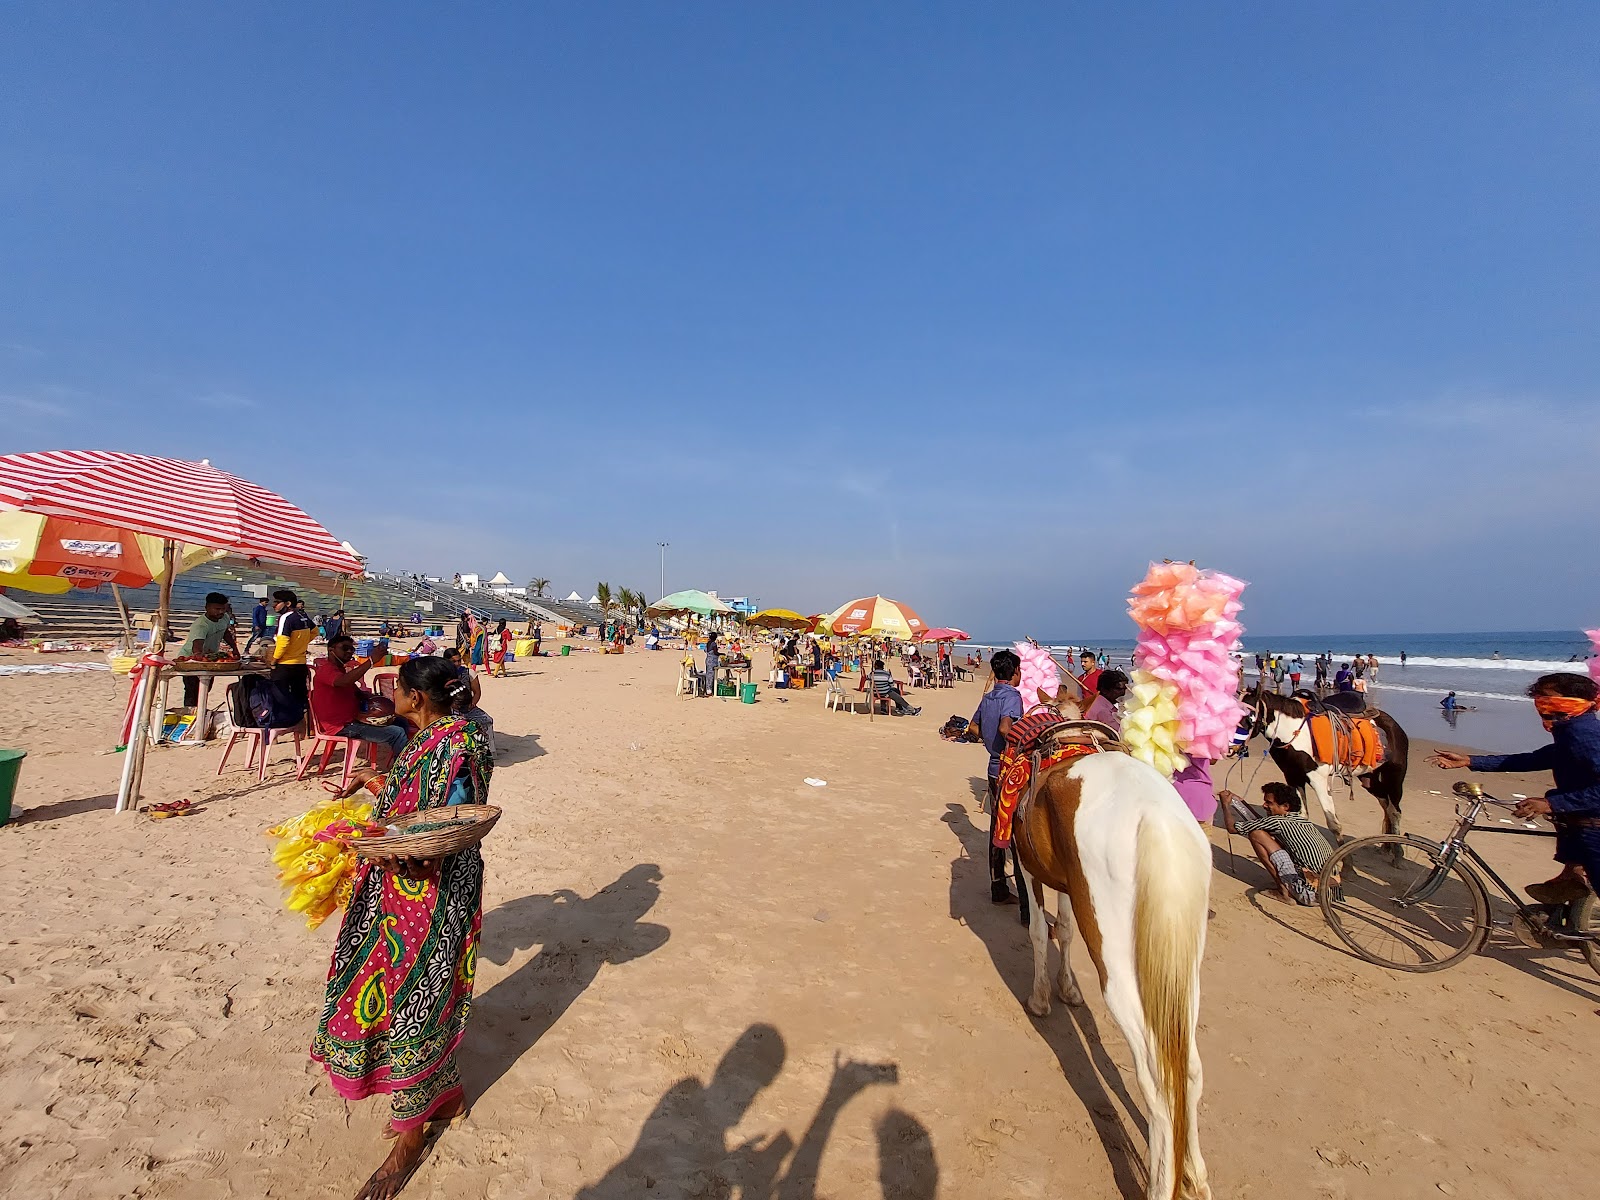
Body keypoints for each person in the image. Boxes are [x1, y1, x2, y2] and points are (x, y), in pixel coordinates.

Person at [312, 657, 493, 1197]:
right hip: (396, 883)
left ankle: (409, 1138)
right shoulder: (429, 735)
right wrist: (378, 786)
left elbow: (447, 819)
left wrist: (401, 838)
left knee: (416, 1001)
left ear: (417, 697)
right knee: (384, 987)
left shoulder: (457, 742)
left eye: (397, 687)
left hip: (431, 887)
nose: (389, 692)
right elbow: (419, 799)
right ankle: (448, 1096)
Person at [1431, 673, 1600, 904]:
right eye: (1539, 698)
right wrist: (1470, 761)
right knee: (1576, 878)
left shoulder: (1584, 734)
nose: (1541, 705)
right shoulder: (1571, 730)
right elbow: (1535, 759)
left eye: (1548, 698)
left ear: (1575, 700)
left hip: (1594, 828)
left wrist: (1550, 803)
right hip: (1578, 825)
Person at [969, 649, 1024, 906]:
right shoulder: (1012, 696)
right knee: (1015, 830)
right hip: (1009, 770)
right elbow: (1006, 727)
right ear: (1015, 672)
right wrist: (1020, 743)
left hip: (992, 768)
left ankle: (998, 885)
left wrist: (989, 743)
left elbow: (973, 727)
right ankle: (1025, 901)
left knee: (997, 826)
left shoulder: (989, 697)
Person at [1219, 782, 1332, 905]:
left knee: (1256, 834)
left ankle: (1284, 892)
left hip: (1310, 894)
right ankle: (1288, 886)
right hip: (1329, 894)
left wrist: (1225, 805)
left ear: (1285, 806)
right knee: (1265, 834)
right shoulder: (1300, 820)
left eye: (1269, 803)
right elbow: (1262, 822)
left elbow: (1232, 828)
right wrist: (1240, 802)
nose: (1264, 805)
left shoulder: (1277, 821)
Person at [311, 635, 407, 761]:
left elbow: (354, 690)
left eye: (352, 649)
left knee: (401, 721)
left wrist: (374, 699)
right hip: (341, 726)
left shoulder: (340, 670)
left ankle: (403, 758)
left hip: (353, 719)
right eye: (345, 648)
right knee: (397, 733)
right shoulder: (327, 670)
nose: (349, 652)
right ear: (331, 650)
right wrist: (371, 661)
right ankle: (402, 770)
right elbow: (343, 682)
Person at [178, 592, 239, 708]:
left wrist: (234, 648)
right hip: (191, 661)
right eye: (217, 609)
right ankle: (192, 715)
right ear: (207, 608)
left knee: (205, 689)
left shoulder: (225, 617)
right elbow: (197, 645)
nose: (220, 612)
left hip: (210, 658)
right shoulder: (201, 625)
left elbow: (225, 632)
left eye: (223, 609)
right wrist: (199, 656)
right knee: (192, 691)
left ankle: (201, 712)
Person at [266, 589, 317, 708]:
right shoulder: (302, 615)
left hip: (285, 665)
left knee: (281, 700)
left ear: (288, 604)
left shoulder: (286, 617)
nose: (274, 605)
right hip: (300, 665)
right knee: (299, 699)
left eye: (277, 602)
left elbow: (283, 642)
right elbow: (315, 631)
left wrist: (274, 660)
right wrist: (300, 643)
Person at [442, 647, 496, 751]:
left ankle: (487, 750)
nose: (457, 664)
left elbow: (477, 692)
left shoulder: (469, 673)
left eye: (459, 661)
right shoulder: (441, 675)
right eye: (454, 661)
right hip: (447, 709)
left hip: (467, 707)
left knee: (487, 720)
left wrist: (472, 704)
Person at [1083, 668, 1128, 734]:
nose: (1124, 693)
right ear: (1105, 690)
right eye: (1119, 689)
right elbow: (1120, 733)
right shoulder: (1103, 711)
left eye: (1125, 689)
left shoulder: (1099, 702)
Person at [704, 628, 720, 697]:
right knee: (711, 676)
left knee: (708, 675)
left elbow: (705, 651)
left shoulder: (708, 643)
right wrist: (721, 654)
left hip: (708, 660)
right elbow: (716, 652)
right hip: (712, 662)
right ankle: (709, 691)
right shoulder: (713, 644)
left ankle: (708, 689)